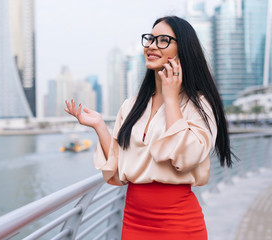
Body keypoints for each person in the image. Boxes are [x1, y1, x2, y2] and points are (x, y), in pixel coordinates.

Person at [65, 15, 235, 240]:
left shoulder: (199, 104)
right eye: (150, 39)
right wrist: (99, 126)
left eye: (163, 40)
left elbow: (186, 157)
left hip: (178, 222)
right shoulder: (132, 106)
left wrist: (171, 98)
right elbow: (118, 171)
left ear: (182, 49)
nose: (152, 46)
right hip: (134, 220)